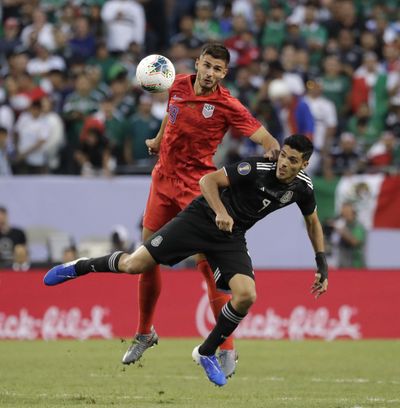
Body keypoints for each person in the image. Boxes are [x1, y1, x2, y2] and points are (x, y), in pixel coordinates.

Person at [44, 134, 329, 387]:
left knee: (246, 296)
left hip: (230, 236)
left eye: (292, 160)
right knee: (135, 265)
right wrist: (220, 211)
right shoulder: (255, 167)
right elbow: (208, 181)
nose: (283, 163)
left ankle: (206, 352)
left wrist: (322, 264)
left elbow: (314, 223)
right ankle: (79, 266)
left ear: (303, 165)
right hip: (201, 218)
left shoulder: (303, 188)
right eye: (283, 156)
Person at [127, 43, 280, 377]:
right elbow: (171, 114)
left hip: (197, 189)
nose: (210, 73)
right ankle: (144, 332)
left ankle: (226, 349)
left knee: (209, 268)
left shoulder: (227, 104)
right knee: (146, 258)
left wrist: (272, 152)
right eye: (207, 65)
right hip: (162, 181)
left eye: (218, 69)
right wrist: (157, 139)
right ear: (198, 63)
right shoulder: (178, 84)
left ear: (225, 74)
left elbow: (266, 138)